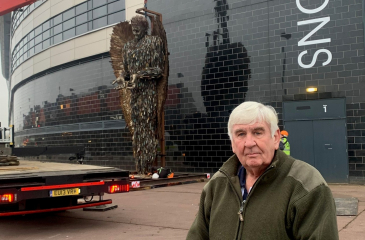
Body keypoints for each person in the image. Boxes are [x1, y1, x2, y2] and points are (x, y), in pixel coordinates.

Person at [187, 101, 338, 240]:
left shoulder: (306, 185)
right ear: (232, 144)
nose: (249, 143)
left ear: (275, 138)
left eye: (258, 132)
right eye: (240, 134)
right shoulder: (216, 185)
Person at [112, 15, 165, 174]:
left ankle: (148, 166)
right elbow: (127, 71)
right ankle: (140, 166)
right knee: (137, 130)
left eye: (138, 26)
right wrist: (123, 78)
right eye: (133, 25)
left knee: (147, 128)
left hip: (148, 93)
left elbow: (158, 70)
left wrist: (140, 75)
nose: (135, 29)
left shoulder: (154, 42)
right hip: (134, 94)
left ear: (145, 27)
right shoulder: (127, 47)